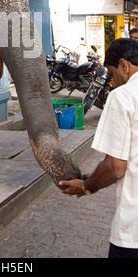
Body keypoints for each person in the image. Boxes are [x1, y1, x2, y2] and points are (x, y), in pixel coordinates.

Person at [59, 37, 138, 258]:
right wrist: (98, 174)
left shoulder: (123, 96)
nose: (113, 82)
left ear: (124, 65)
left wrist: (87, 186)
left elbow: (115, 167)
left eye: (112, 75)